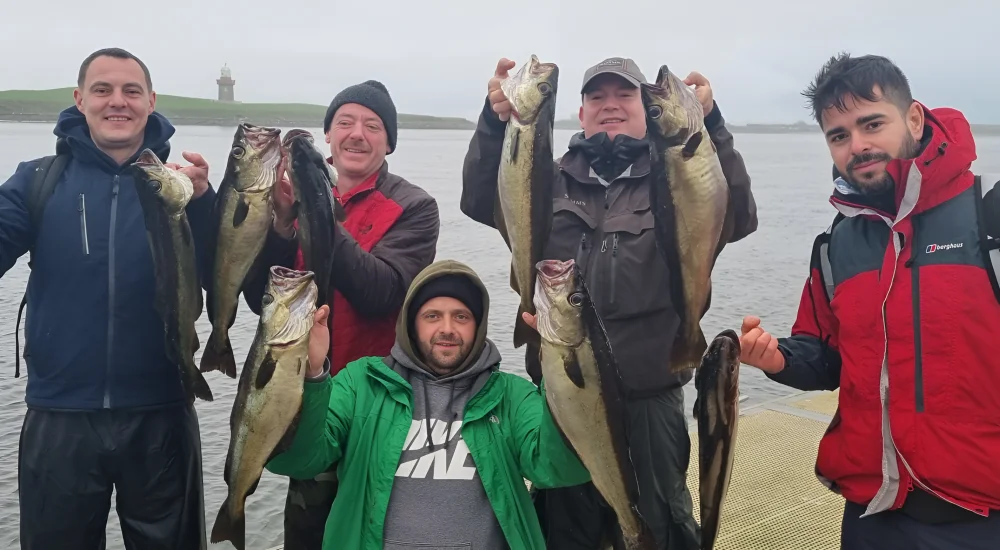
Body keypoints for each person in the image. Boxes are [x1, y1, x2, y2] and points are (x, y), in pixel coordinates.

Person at [461, 57, 758, 549]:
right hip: (565, 394)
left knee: (660, 523)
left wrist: (713, 124)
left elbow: (739, 214)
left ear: (645, 108)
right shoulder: (546, 176)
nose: (610, 105)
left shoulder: (678, 175)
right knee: (566, 527)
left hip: (651, 396)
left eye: (624, 94)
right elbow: (478, 199)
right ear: (580, 113)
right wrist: (496, 125)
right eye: (597, 96)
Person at [739, 53, 1000, 549]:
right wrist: (777, 359)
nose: (857, 146)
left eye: (872, 124)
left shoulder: (989, 218)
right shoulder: (839, 243)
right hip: (871, 515)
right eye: (838, 136)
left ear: (914, 119)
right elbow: (826, 357)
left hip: (982, 519)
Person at [0, 48, 216, 549]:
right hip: (60, 415)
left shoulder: (183, 187)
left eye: (131, 91)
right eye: (102, 90)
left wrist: (206, 204)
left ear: (151, 101)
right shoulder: (37, 181)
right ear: (80, 100)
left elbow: (226, 276)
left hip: (162, 412)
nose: (117, 101)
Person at [264, 258, 590, 549]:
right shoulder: (361, 383)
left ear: (478, 325)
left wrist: (561, 371)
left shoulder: (511, 395)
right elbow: (294, 461)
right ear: (411, 322)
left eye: (461, 316)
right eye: (432, 316)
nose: (447, 329)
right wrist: (310, 374)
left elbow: (559, 469)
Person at [241, 79, 440, 549]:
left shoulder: (414, 207)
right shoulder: (286, 197)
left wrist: (318, 212)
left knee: (381, 532)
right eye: (345, 122)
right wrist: (283, 225)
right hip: (307, 401)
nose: (357, 134)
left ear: (389, 141)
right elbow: (255, 297)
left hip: (379, 408)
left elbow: (381, 293)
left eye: (373, 126)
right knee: (309, 533)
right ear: (327, 135)